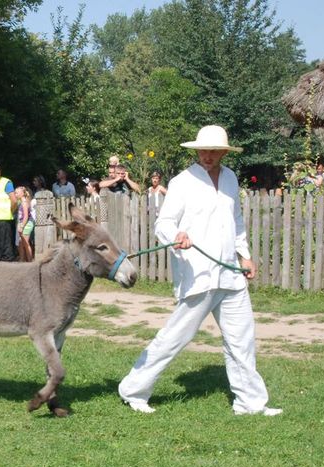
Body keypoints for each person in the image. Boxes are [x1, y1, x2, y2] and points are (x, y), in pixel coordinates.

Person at [117, 125, 282, 416]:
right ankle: (133, 390)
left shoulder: (230, 178)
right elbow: (164, 224)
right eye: (203, 150)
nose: (207, 155)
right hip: (198, 273)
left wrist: (244, 256)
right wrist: (176, 236)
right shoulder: (182, 182)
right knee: (174, 338)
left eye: (214, 151)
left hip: (230, 274)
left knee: (241, 340)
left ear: (223, 153)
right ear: (197, 151)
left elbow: (236, 221)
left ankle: (250, 403)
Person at [15, 186, 35, 262]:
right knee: (21, 244)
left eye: (17, 193)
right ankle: (22, 259)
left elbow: (26, 216)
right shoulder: (21, 202)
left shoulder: (24, 202)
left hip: (27, 224)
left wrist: (22, 226)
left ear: (22, 194)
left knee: (26, 244)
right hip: (23, 223)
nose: (15, 194)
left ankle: (29, 261)